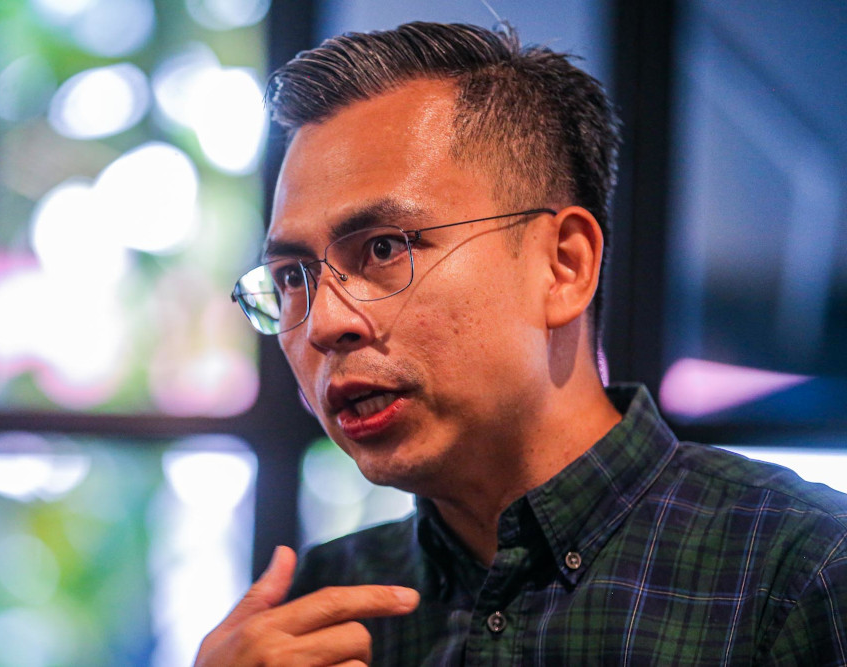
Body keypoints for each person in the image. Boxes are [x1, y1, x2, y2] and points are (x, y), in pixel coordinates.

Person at [205, 21, 847, 665]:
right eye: (293, 278)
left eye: (383, 248)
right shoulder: (321, 604)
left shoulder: (799, 573)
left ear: (564, 266)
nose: (322, 325)